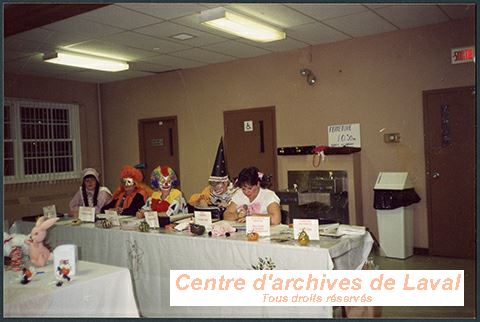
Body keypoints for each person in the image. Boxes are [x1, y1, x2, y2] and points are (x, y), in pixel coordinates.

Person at [188, 138, 237, 214]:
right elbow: (191, 201)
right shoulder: (209, 191)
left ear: (226, 183)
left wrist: (228, 205)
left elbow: (241, 206)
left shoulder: (235, 192)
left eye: (218, 185)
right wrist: (201, 201)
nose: (215, 189)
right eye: (213, 185)